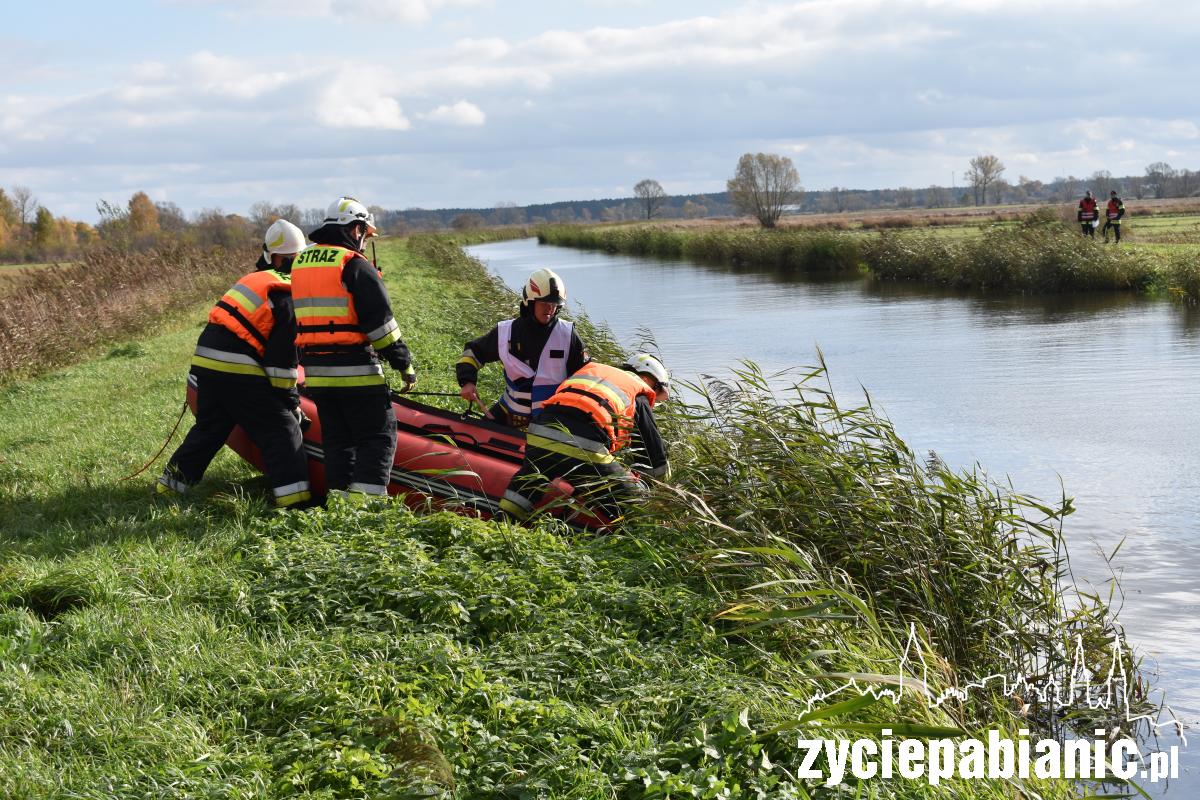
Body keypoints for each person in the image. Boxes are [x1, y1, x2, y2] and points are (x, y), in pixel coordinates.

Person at [158, 219, 312, 508]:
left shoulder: (253, 280)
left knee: (211, 427)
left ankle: (170, 487)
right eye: (295, 259)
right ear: (285, 259)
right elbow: (281, 367)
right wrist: (291, 405)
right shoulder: (285, 294)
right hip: (237, 367)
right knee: (282, 429)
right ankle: (296, 504)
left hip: (206, 360)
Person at [290, 196, 415, 500]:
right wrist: (404, 365)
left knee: (338, 442)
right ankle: (367, 508)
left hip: (318, 375)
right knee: (378, 436)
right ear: (355, 228)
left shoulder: (301, 263)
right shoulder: (353, 265)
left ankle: (341, 504)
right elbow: (381, 327)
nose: (364, 240)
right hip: (356, 372)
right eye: (364, 233)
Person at [498, 353, 670, 524]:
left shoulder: (594, 372)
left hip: (538, 434)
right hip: (582, 447)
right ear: (652, 381)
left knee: (526, 484)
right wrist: (656, 487)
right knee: (636, 504)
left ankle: (502, 522)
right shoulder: (638, 393)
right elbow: (653, 458)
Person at [457, 268, 589, 429]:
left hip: (551, 422)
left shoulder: (568, 335)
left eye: (554, 304)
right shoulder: (505, 332)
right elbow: (473, 352)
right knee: (478, 435)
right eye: (543, 303)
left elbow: (585, 376)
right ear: (530, 302)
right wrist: (467, 381)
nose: (549, 308)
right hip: (509, 413)